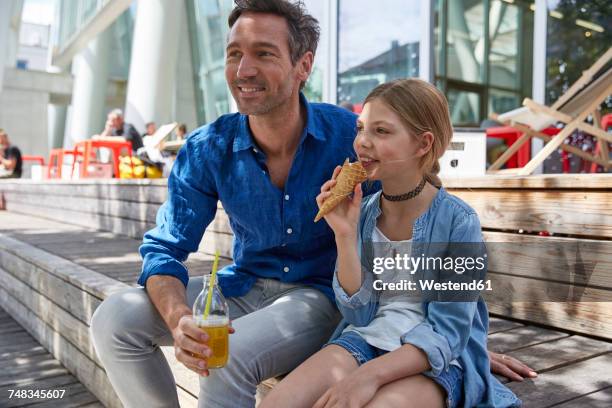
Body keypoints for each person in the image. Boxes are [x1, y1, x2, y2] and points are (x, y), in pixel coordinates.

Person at [89, 1, 534, 407]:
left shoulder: (354, 146)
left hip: (318, 300)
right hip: (247, 288)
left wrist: (459, 343)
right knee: (113, 318)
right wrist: (179, 317)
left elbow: (427, 248)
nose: (243, 69)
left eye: (264, 53)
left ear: (304, 65)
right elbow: (164, 250)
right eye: (233, 53)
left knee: (228, 358)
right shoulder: (208, 148)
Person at [261, 79, 522, 408]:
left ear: (422, 144)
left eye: (381, 132)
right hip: (367, 338)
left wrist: (366, 377)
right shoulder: (365, 212)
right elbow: (358, 312)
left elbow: (448, 333)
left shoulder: (459, 222)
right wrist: (344, 233)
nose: (362, 143)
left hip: (435, 361)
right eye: (360, 128)